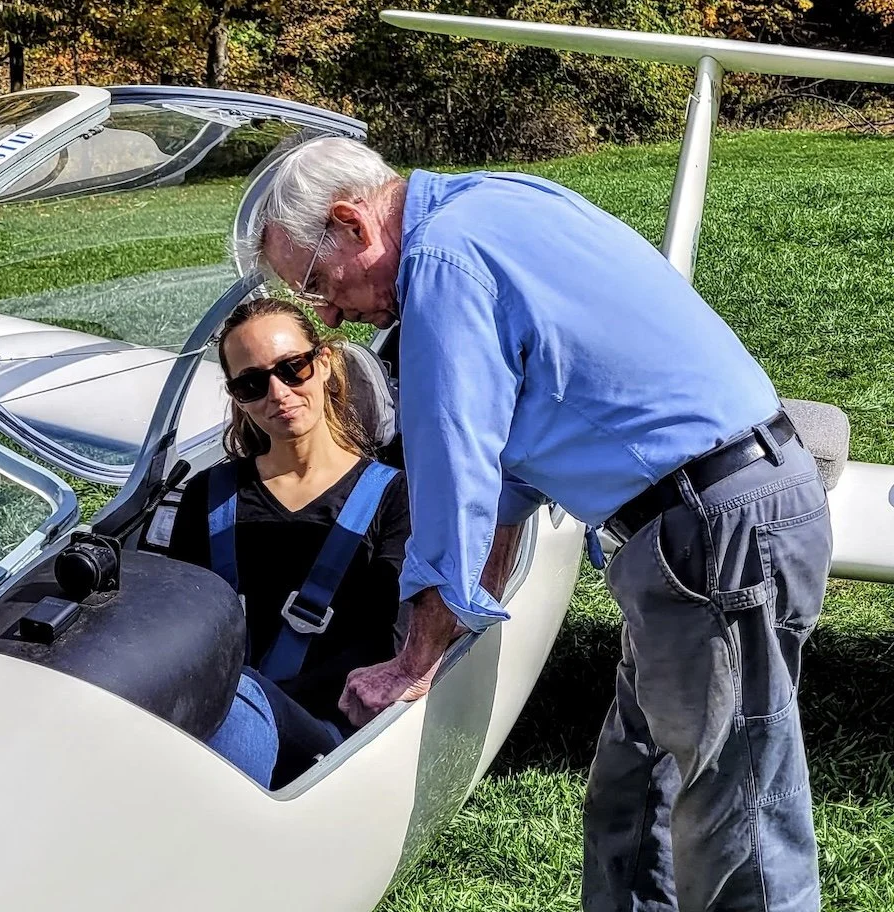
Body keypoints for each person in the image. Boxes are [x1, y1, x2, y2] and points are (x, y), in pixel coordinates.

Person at [246, 136, 833, 912]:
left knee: (740, 825)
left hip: (711, 532)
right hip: (700, 528)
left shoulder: (444, 265)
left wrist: (414, 660)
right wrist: (459, 621)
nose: (328, 314)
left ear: (354, 225)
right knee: (632, 801)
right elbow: (503, 479)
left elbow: (454, 475)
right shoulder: (494, 200)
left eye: (318, 283)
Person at [168, 297, 410, 788]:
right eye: (253, 384)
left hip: (326, 730)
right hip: (215, 710)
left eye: (292, 368)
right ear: (238, 398)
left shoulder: (392, 496)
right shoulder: (209, 496)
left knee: (236, 709)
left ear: (322, 363)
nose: (277, 393)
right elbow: (182, 627)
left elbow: (387, 640)